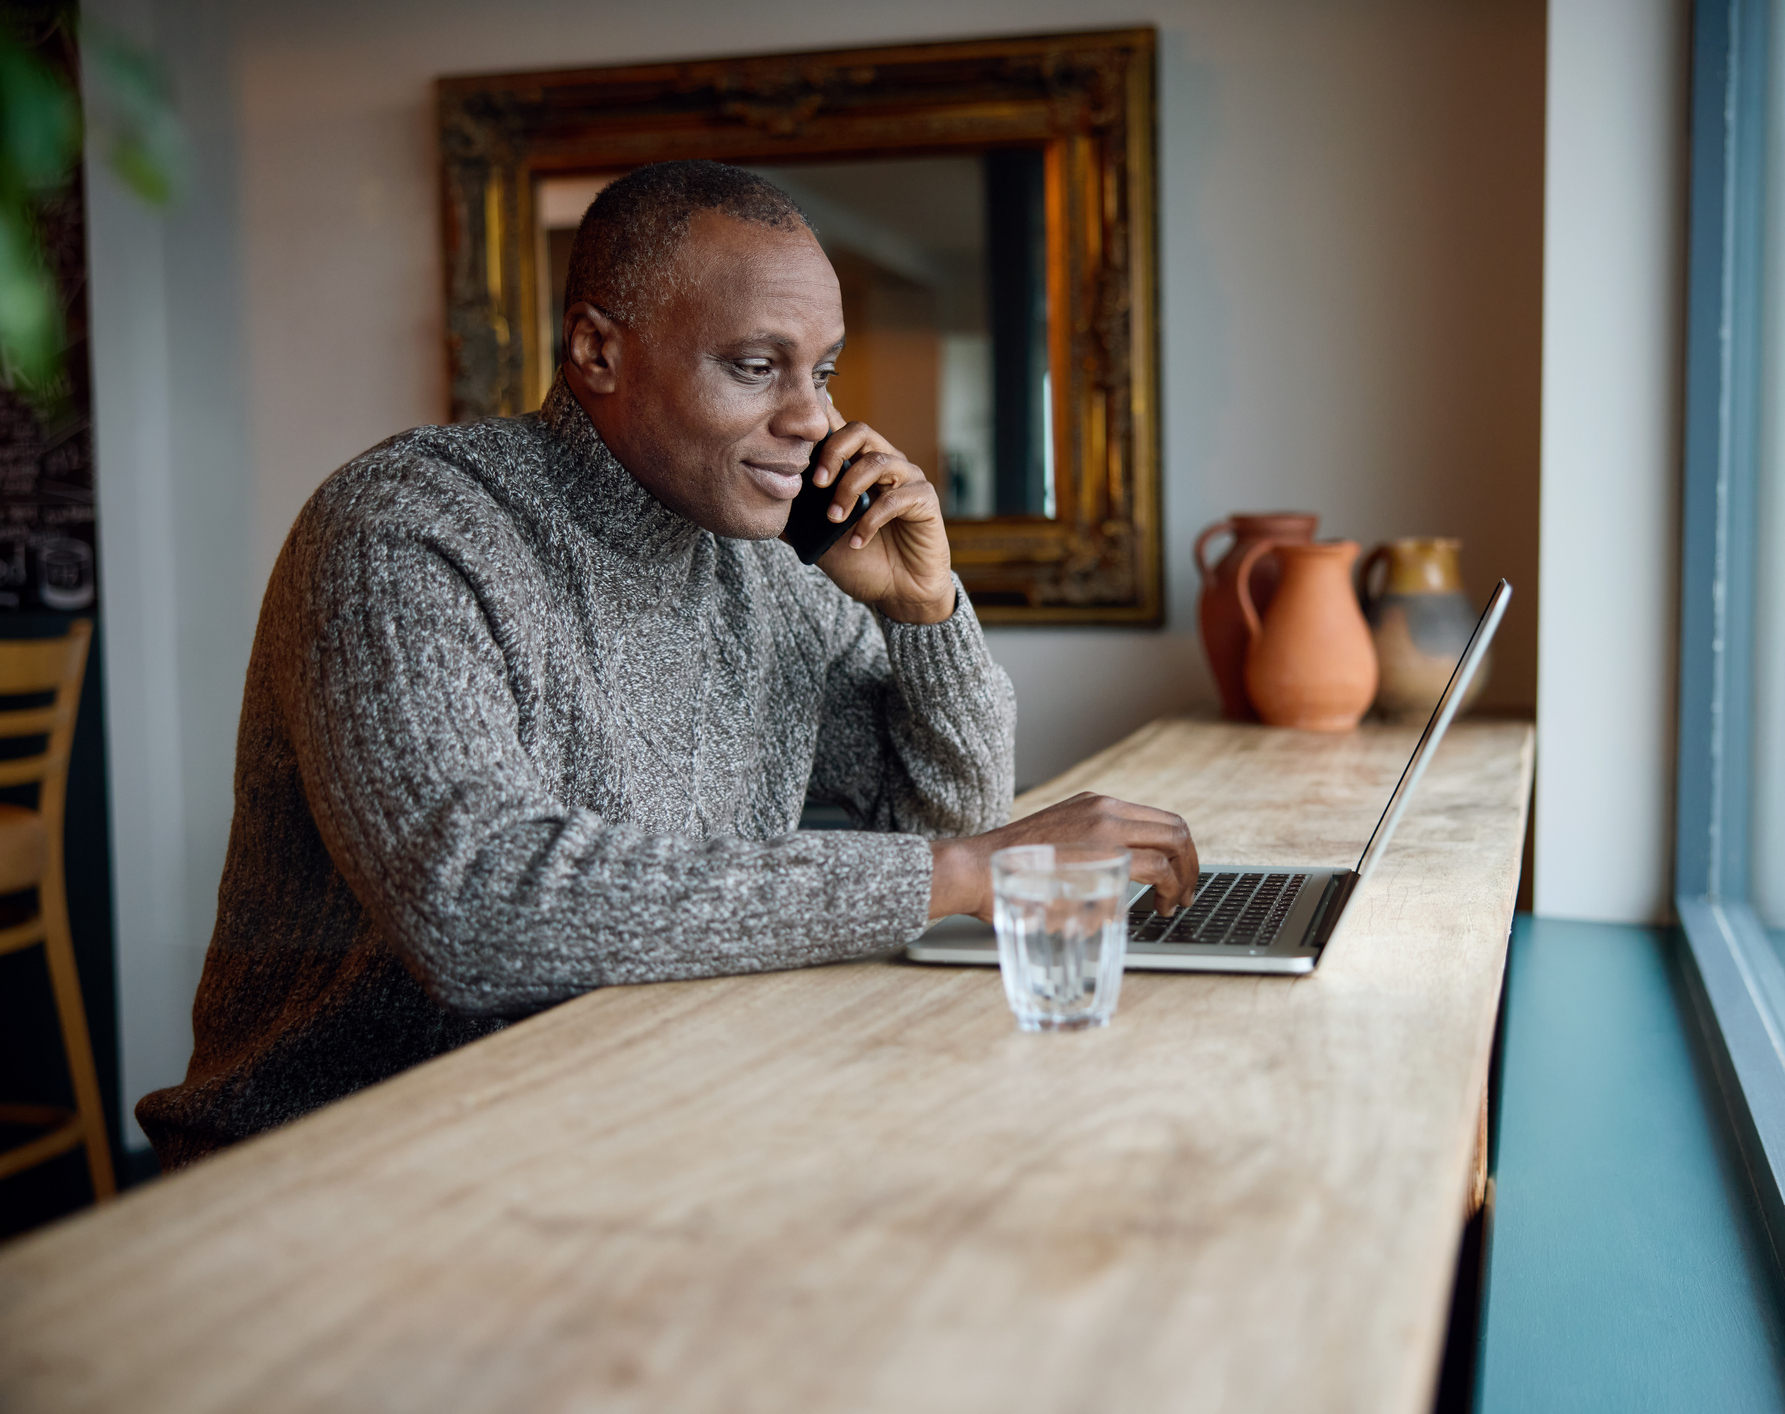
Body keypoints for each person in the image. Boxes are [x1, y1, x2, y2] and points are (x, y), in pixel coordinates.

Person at [137, 161, 1197, 1169]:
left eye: (820, 372)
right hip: (341, 1165)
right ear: (597, 351)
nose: (814, 421)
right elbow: (474, 904)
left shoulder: (765, 568)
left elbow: (943, 816)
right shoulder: (405, 529)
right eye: (754, 366)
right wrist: (970, 874)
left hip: (632, 1119)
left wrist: (928, 615)